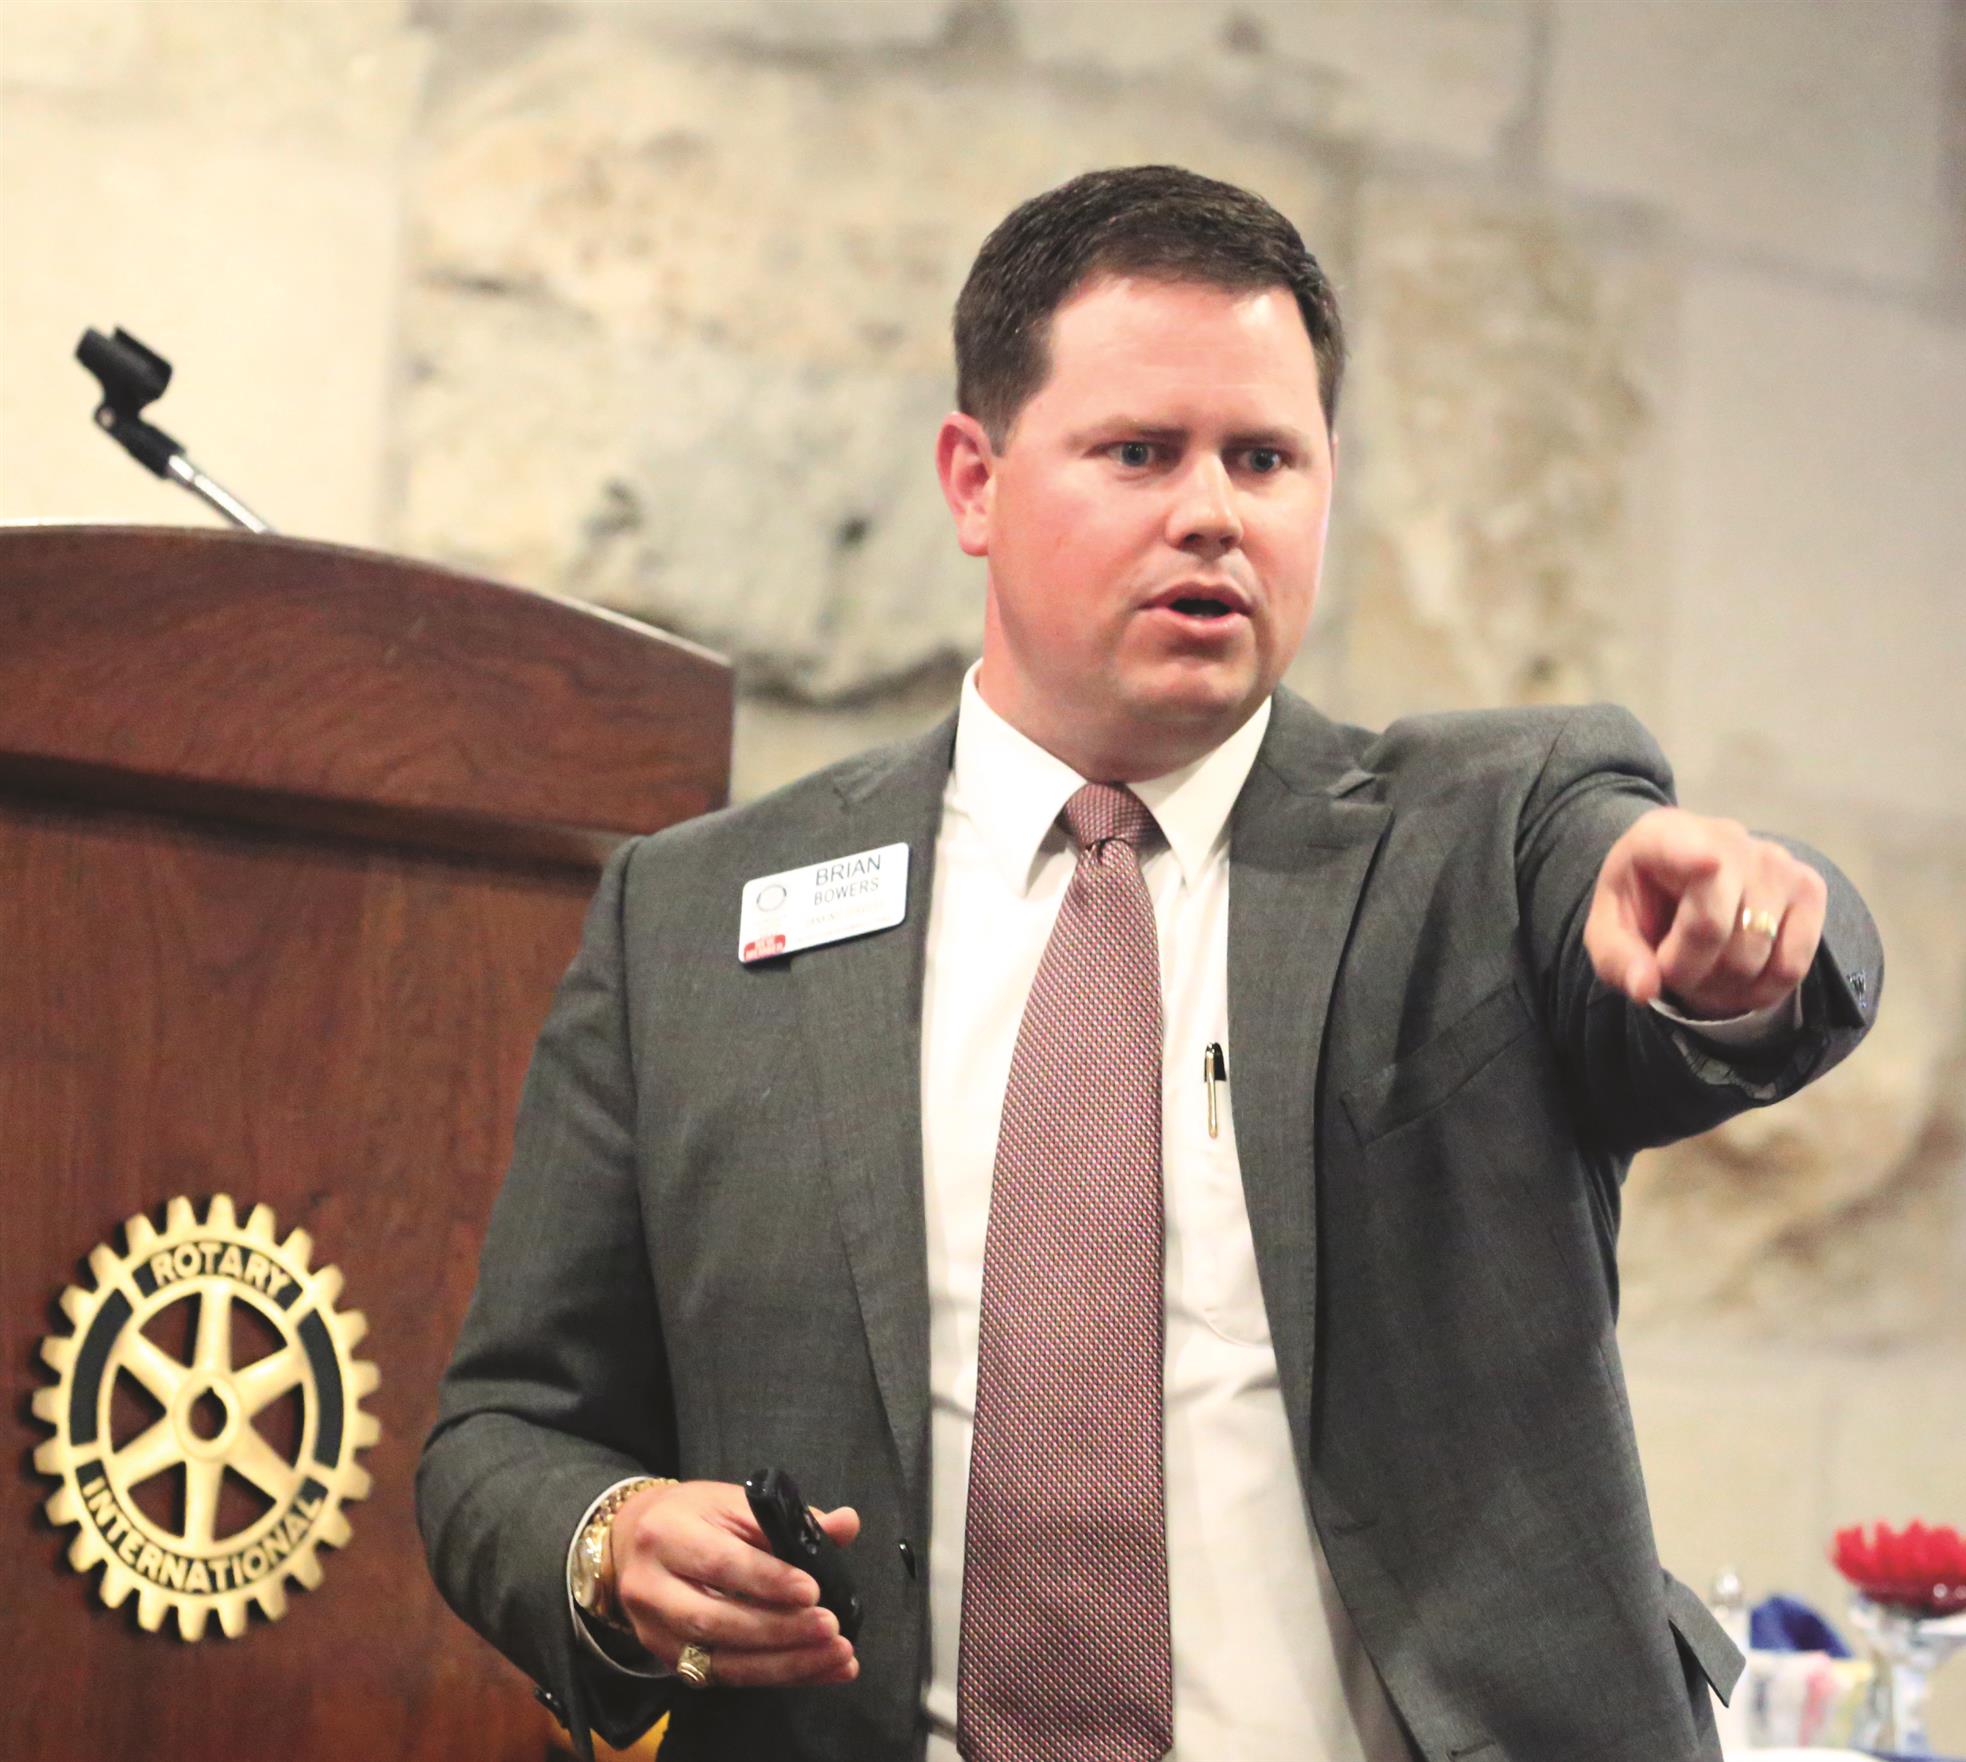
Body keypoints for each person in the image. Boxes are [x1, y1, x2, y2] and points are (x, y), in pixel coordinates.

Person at [417, 165, 1880, 1762]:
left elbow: (1675, 911)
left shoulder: (1479, 842)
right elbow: (504, 1433)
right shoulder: (699, 918)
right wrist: (611, 1538)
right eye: (1139, 452)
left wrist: (1730, 943)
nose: (1212, 512)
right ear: (973, 481)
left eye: (1266, 457)